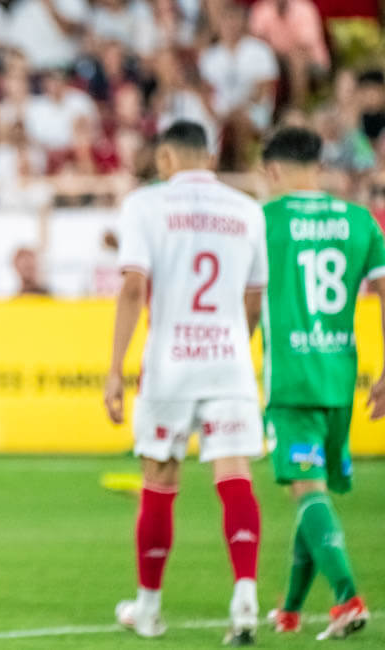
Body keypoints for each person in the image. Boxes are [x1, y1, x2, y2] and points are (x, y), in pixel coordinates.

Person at [104, 121, 266, 645]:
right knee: (234, 474)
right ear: (210, 157)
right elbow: (254, 298)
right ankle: (246, 597)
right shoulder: (247, 210)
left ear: (167, 158)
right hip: (228, 361)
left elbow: (133, 288)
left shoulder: (144, 205)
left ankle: (149, 609)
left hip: (170, 361)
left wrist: (114, 368)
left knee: (160, 478)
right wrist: (232, 344)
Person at [259, 127, 385, 641]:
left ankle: (348, 597)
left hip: (291, 378)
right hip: (339, 377)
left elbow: (246, 298)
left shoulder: (264, 221)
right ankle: (290, 610)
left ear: (272, 170)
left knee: (307, 488)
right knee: (310, 491)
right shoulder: (360, 220)